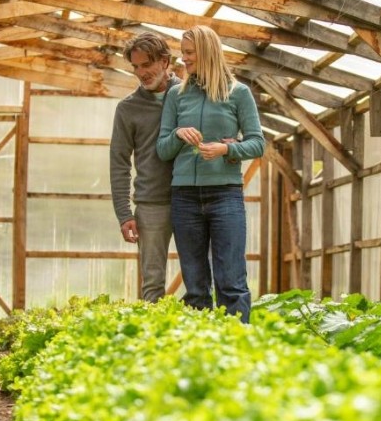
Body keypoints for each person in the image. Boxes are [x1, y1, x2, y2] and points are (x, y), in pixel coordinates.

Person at [156, 25, 265, 323]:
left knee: (231, 281)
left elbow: (258, 143)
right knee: (195, 286)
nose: (184, 60)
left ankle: (235, 349)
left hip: (225, 195)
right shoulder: (177, 95)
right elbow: (162, 150)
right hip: (185, 197)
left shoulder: (238, 93)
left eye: (189, 53)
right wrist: (178, 133)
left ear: (207, 52)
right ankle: (200, 354)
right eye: (183, 53)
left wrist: (226, 150)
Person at [110, 32, 181, 302]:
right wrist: (124, 213)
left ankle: (201, 339)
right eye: (136, 67)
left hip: (191, 198)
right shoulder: (128, 108)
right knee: (152, 283)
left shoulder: (190, 96)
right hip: (151, 205)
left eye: (147, 64)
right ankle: (152, 341)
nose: (141, 72)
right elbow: (118, 163)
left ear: (165, 61)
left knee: (199, 275)